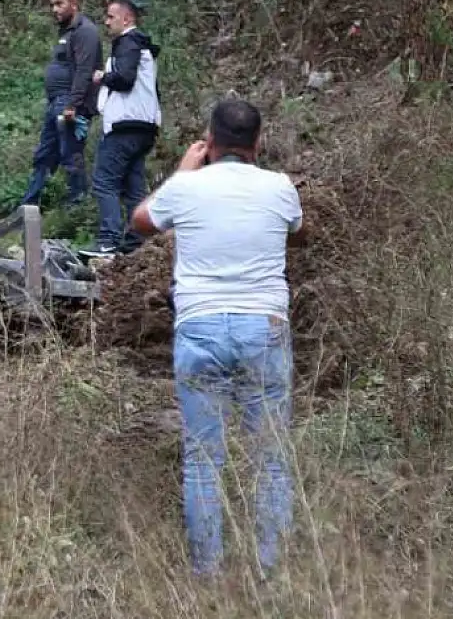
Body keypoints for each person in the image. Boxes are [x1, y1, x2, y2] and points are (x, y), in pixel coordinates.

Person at [129, 97, 310, 579]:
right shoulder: (280, 187)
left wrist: (184, 171)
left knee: (203, 460)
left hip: (201, 327)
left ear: (209, 142)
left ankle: (207, 576)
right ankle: (270, 574)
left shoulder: (188, 188)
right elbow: (296, 230)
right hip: (264, 330)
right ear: (258, 142)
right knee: (271, 458)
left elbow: (141, 221)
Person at [88, 0, 161, 256]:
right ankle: (135, 244)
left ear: (127, 18)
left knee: (104, 182)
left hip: (125, 127)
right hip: (145, 126)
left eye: (111, 16)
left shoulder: (127, 42)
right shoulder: (142, 47)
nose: (106, 22)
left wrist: (102, 77)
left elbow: (125, 79)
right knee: (133, 188)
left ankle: (107, 240)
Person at [18, 0, 100, 208]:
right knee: (45, 154)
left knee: (70, 153)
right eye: (52, 5)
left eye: (59, 4)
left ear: (74, 4)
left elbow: (85, 70)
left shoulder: (85, 31)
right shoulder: (67, 32)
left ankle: (78, 205)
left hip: (69, 103)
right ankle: (28, 205)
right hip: (57, 102)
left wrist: (73, 104)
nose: (54, 9)